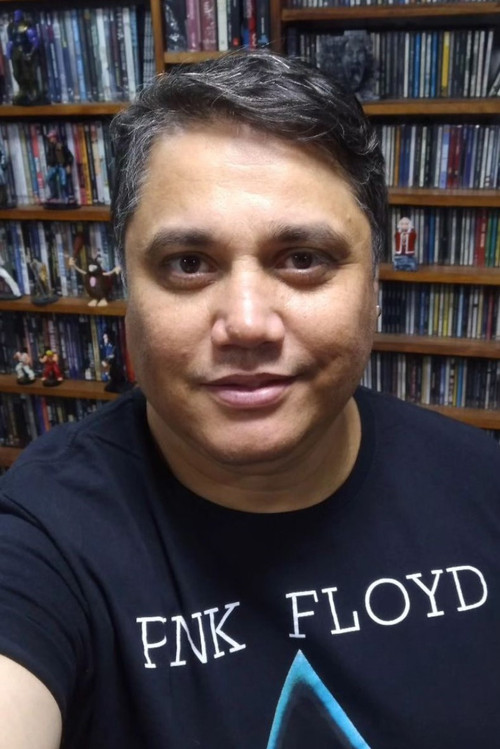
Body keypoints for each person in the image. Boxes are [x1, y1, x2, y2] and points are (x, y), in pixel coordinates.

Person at [0, 51, 498, 749]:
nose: (246, 324)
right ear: (126, 294)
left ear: (374, 287)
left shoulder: (482, 485)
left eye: (302, 259)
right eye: (188, 264)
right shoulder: (43, 535)